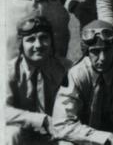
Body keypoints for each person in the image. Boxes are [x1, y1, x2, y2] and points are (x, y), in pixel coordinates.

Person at [51, 21, 113, 145]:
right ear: (86, 53)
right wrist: (105, 137)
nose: (102, 58)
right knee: (65, 143)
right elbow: (62, 123)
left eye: (107, 50)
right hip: (90, 139)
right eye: (95, 52)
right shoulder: (76, 74)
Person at [4, 16, 68, 145]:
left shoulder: (65, 69)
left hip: (55, 132)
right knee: (9, 135)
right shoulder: (8, 71)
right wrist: (39, 119)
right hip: (23, 132)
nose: (38, 45)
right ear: (21, 44)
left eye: (44, 38)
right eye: (31, 40)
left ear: (51, 41)